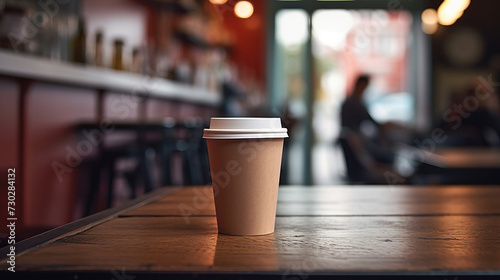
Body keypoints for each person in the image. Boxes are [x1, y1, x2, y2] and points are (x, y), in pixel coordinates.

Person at [340, 74, 394, 164]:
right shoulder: (353, 103)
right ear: (360, 85)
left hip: (355, 139)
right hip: (354, 140)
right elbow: (369, 120)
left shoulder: (355, 102)